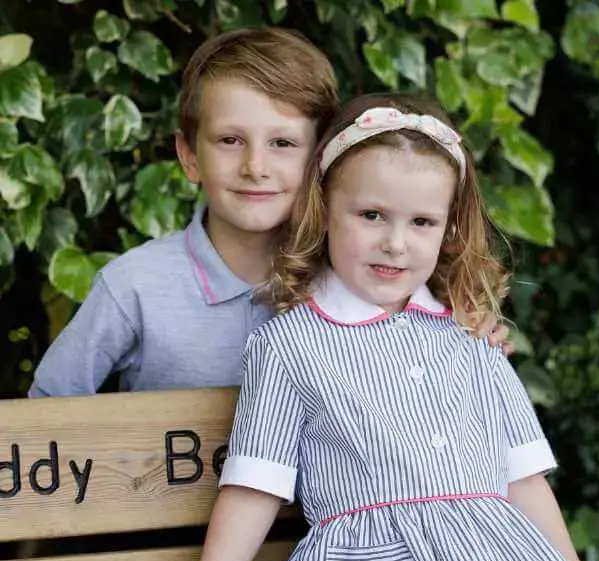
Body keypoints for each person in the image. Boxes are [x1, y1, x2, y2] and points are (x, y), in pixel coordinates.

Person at [166, 92, 599, 561]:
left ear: (448, 230)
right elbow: (254, 488)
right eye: (370, 216)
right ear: (323, 209)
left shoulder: (471, 340)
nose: (394, 241)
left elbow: (525, 483)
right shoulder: (293, 345)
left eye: (421, 221)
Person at [29, 29, 509, 399]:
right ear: (190, 156)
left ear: (322, 159)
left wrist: (472, 341)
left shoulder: (364, 278)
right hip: (164, 528)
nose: (255, 167)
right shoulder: (135, 285)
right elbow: (45, 419)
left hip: (321, 529)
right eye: (229, 140)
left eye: (283, 143)